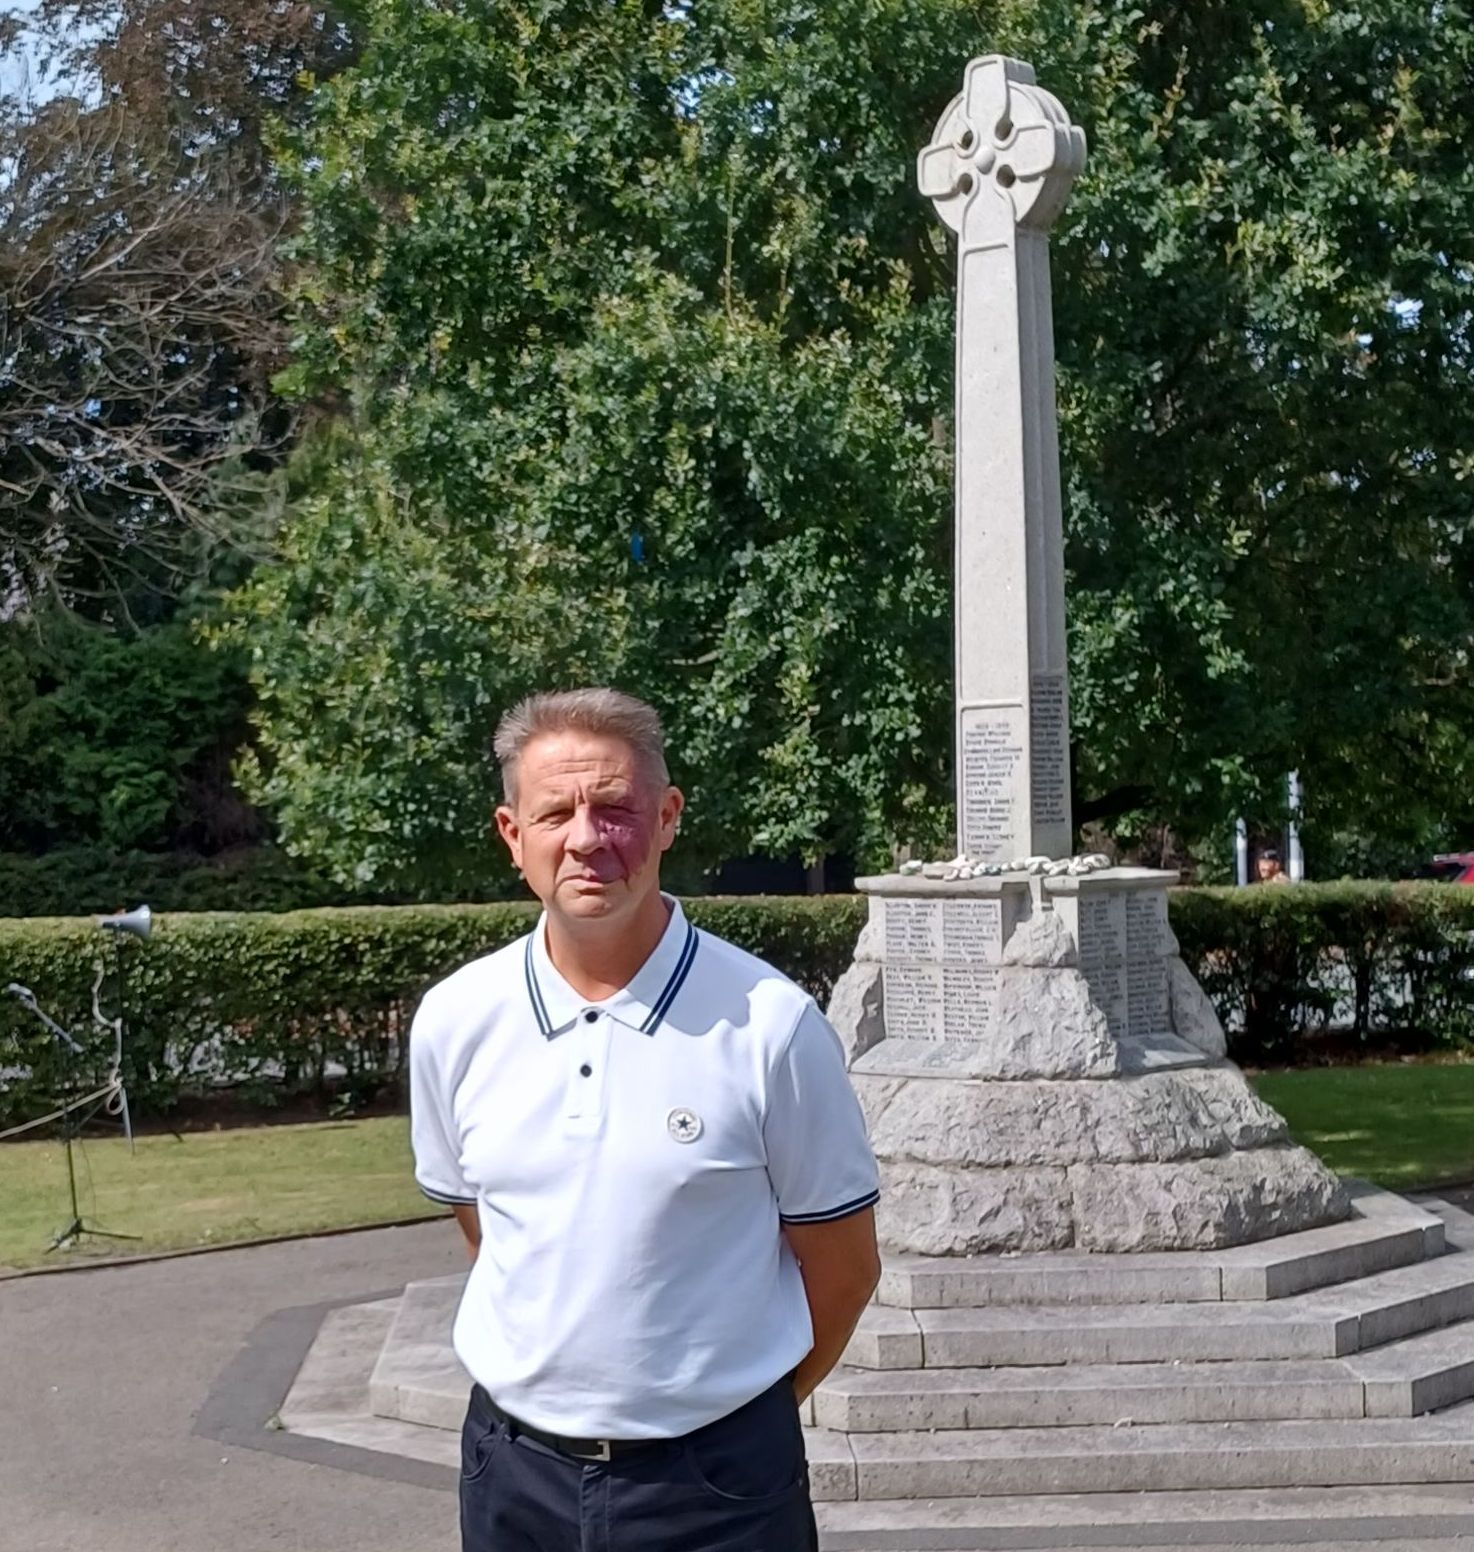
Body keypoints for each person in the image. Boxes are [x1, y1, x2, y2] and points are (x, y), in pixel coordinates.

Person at [409, 687, 881, 1552]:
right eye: (556, 811)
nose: (589, 838)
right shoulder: (454, 1021)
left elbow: (844, 1270)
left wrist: (725, 1422)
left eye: (618, 809)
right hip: (513, 1476)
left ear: (667, 818)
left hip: (717, 1490)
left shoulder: (771, 1024)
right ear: (514, 836)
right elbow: (492, 1233)